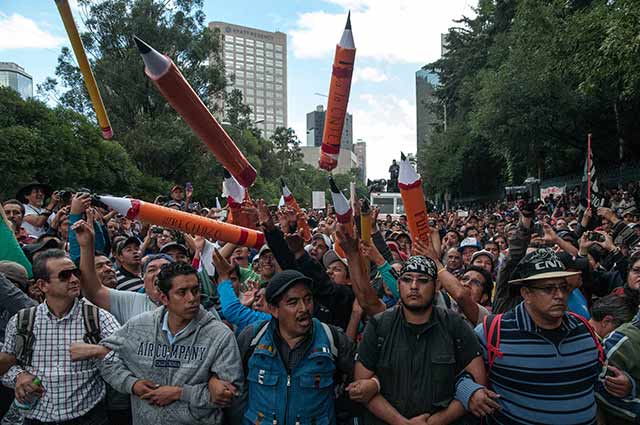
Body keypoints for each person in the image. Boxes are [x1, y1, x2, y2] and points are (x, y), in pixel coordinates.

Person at [469, 248, 602, 424]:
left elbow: (599, 377)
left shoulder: (585, 329)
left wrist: (625, 385)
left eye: (563, 287)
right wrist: (470, 392)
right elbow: (462, 376)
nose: (560, 295)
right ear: (526, 293)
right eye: (548, 288)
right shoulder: (492, 331)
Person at [99, 262, 243, 425]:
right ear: (163, 298)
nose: (192, 299)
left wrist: (181, 393)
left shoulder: (219, 335)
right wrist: (132, 384)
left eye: (195, 290)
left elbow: (231, 393)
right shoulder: (140, 326)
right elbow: (106, 358)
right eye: (182, 292)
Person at [354, 256, 492, 424]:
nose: (413, 286)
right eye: (406, 279)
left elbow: (478, 382)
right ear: (398, 285)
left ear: (436, 287)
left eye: (423, 280)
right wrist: (401, 422)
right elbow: (361, 386)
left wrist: (435, 422)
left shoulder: (455, 325)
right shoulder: (379, 325)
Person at [1, 248, 119, 424]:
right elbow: (7, 363)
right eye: (64, 276)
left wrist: (98, 350)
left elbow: (124, 357)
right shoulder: (22, 321)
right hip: (36, 418)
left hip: (88, 418)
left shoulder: (97, 318)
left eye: (75, 273)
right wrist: (18, 376)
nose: (73, 280)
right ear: (42, 285)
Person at [237, 269, 358, 425]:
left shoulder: (332, 339)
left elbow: (361, 377)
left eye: (308, 299)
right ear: (274, 309)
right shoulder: (252, 338)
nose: (304, 308)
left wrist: (371, 385)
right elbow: (234, 389)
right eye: (293, 302)